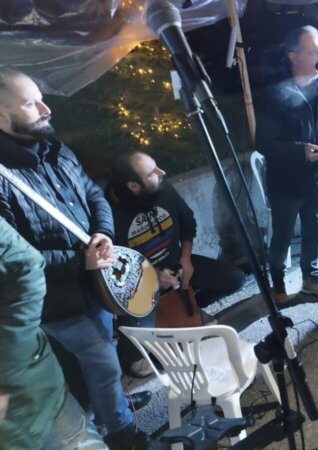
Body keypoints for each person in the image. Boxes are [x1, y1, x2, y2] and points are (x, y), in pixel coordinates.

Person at [0, 67, 149, 449]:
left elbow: (92, 193)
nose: (46, 109)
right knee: (103, 362)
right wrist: (78, 261)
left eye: (41, 99)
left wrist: (103, 233)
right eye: (31, 104)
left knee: (102, 357)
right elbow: (12, 259)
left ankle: (112, 408)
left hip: (92, 283)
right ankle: (122, 433)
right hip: (56, 302)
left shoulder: (55, 149)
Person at [105, 151, 246, 375]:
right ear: (133, 185)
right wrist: (152, 277)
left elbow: (187, 222)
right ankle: (132, 353)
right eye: (152, 172)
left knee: (235, 279)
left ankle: (192, 309)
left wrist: (186, 258)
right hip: (139, 283)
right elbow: (113, 266)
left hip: (177, 264)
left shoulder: (163, 189)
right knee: (137, 355)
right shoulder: (108, 212)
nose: (161, 172)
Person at [0, 217, 108, 450]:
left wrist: (102, 232)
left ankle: (121, 427)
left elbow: (26, 265)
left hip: (31, 397)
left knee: (105, 366)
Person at [255, 25, 318, 304]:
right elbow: (263, 143)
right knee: (282, 237)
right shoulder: (274, 93)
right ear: (294, 56)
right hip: (286, 183)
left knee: (313, 231)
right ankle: (278, 282)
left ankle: (310, 279)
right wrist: (300, 151)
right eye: (314, 52)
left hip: (317, 179)